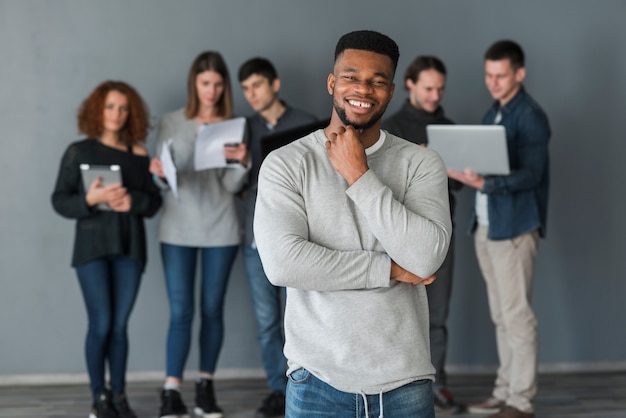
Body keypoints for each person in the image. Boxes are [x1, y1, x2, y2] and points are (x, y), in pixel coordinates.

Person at [254, 30, 452, 418]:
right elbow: (283, 264)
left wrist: (360, 176)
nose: (363, 88)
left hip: (405, 381)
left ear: (391, 91)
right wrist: (391, 268)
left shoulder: (421, 163)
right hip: (317, 381)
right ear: (332, 82)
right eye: (351, 76)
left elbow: (426, 258)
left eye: (377, 81)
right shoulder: (286, 163)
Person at [448, 40, 550, 418]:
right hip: (487, 225)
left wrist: (484, 183)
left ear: (519, 74)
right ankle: (504, 390)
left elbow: (532, 174)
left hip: (513, 228)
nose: (492, 82)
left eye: (500, 75)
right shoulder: (494, 112)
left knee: (518, 316)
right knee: (501, 315)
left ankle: (521, 401)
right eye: (488, 75)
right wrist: (463, 169)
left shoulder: (531, 116)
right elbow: (489, 164)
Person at [51, 80, 162, 418]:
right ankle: (100, 398)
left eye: (124, 108)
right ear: (98, 109)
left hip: (130, 249)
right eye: (111, 106)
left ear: (132, 115)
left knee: (118, 326)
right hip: (92, 249)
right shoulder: (78, 152)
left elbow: (153, 203)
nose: (117, 114)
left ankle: (119, 396)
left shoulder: (140, 154)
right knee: (100, 323)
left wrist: (132, 200)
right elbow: (60, 200)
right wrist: (91, 199)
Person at [149, 51, 250, 418]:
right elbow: (163, 181)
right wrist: (158, 173)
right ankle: (171, 390)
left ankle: (205, 387)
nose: (212, 90)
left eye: (218, 84)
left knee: (212, 310)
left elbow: (230, 185)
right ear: (194, 83)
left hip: (220, 227)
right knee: (181, 312)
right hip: (177, 227)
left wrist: (242, 163)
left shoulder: (234, 123)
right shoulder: (172, 122)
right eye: (206, 83)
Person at [382, 55, 465, 414]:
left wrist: (457, 171)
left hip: (441, 232)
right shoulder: (390, 128)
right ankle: (394, 384)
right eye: (429, 88)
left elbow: (456, 189)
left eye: (441, 89)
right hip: (398, 234)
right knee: (395, 311)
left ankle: (437, 384)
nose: (435, 95)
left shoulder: (450, 127)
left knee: (438, 314)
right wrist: (418, 163)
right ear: (411, 85)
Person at [237, 57, 317, 418]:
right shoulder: (241, 130)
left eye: (256, 85)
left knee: (299, 317)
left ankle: (304, 388)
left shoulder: (306, 125)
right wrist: (240, 166)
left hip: (299, 236)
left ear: (275, 84)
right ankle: (277, 390)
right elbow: (236, 189)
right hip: (256, 240)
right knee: (267, 322)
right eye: (245, 89)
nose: (250, 94)